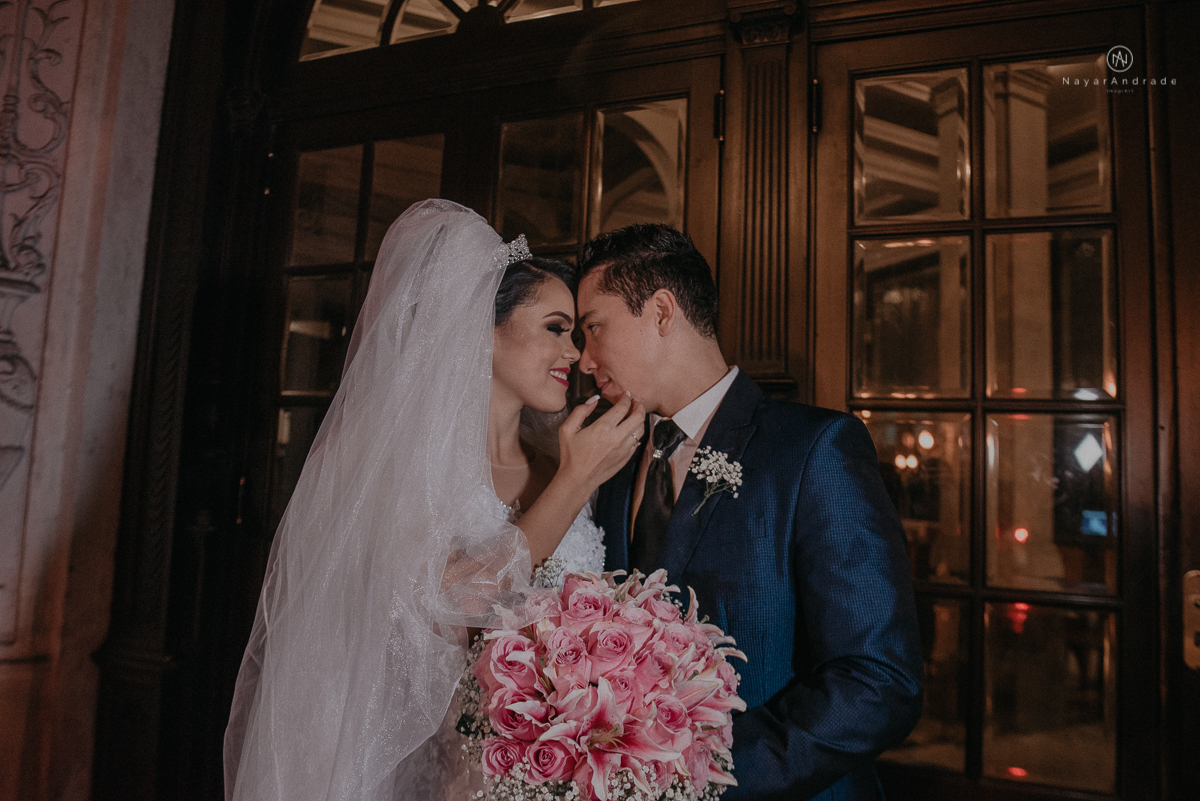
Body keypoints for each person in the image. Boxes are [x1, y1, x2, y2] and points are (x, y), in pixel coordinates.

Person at [223, 200, 644, 801]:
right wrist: (574, 484)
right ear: (480, 329)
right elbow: (447, 604)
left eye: (576, 334)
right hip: (437, 772)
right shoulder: (401, 468)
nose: (575, 354)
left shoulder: (561, 462)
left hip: (548, 773)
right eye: (555, 328)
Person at [578, 224, 924, 801]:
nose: (585, 359)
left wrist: (694, 778)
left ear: (661, 312)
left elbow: (880, 679)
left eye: (594, 327)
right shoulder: (610, 460)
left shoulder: (814, 449)